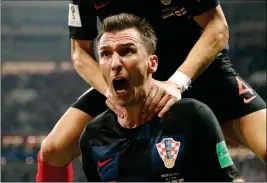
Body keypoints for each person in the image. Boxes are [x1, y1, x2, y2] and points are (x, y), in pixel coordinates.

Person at [36, 0, 266, 181]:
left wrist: (177, 82)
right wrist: (110, 93)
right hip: (132, 74)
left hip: (201, 70)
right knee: (53, 150)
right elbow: (80, 52)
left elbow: (217, 27)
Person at [80, 13, 239, 182]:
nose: (115, 64)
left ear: (153, 63)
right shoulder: (93, 136)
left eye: (127, 51)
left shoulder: (192, 117)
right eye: (105, 54)